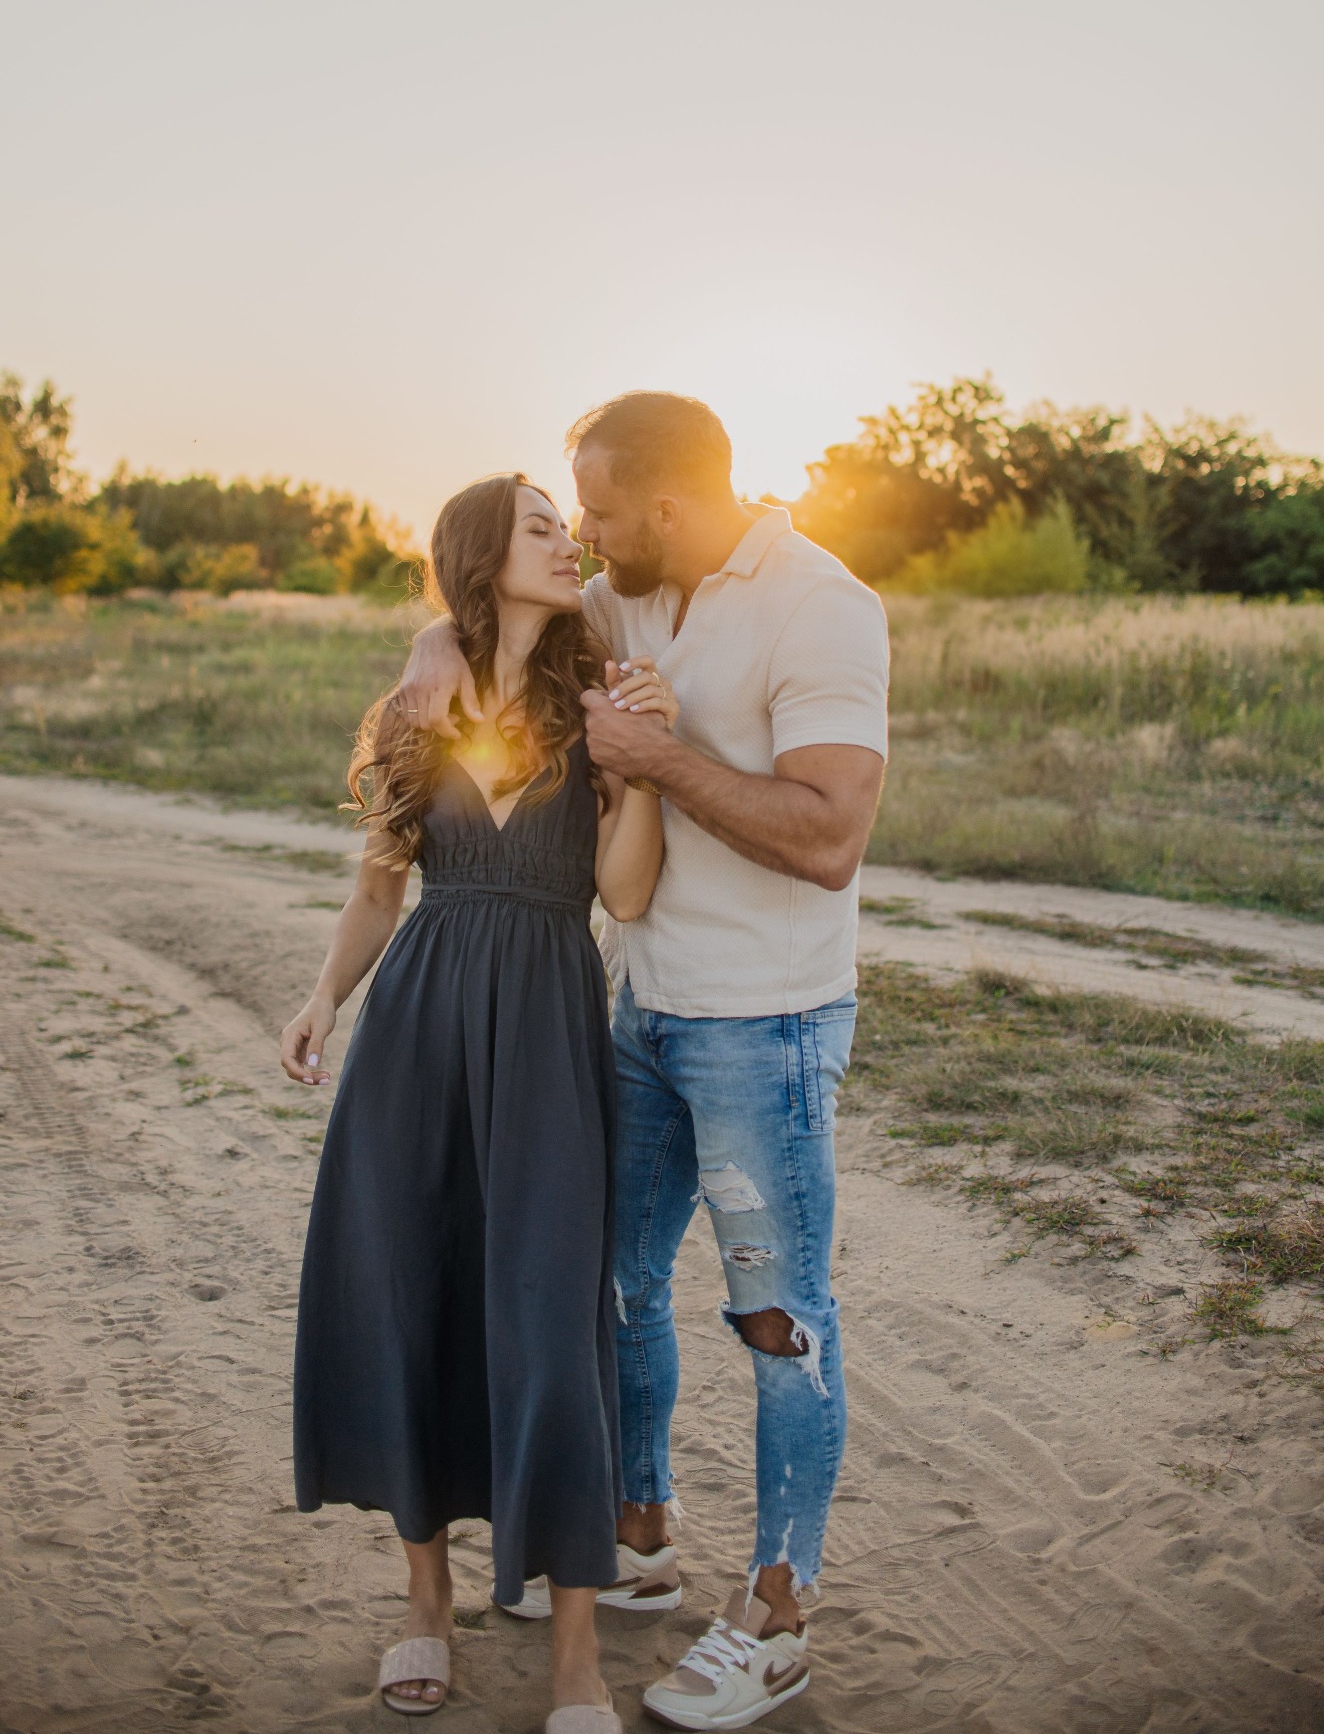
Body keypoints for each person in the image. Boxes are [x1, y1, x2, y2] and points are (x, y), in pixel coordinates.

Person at [398, 393, 889, 1729]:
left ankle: (777, 1618)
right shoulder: (634, 595)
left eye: (600, 514)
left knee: (777, 1321)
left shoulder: (822, 607)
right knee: (607, 1285)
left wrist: (658, 760)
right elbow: (503, 614)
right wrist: (437, 644)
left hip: (764, 1028)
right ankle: (641, 1534)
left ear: (662, 509)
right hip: (641, 1016)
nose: (587, 536)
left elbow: (829, 837)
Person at [281, 473, 677, 1730]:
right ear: (477, 557)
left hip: (551, 1038)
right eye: (542, 528)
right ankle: (427, 1606)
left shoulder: (601, 700)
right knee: (415, 1298)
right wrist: (323, 998)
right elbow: (379, 889)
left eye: (570, 524)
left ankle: (575, 1660)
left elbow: (623, 895)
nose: (570, 544)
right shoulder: (422, 697)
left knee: (554, 1327)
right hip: (419, 1030)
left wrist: (651, 765)